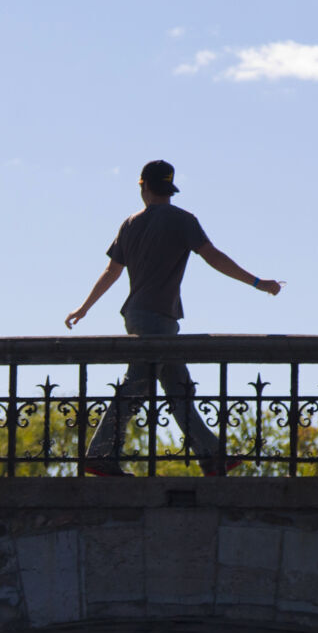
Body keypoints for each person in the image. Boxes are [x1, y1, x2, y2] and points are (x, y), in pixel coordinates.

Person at [65, 160, 281, 476]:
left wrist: (84, 308)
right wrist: (257, 283)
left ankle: (212, 456)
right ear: (169, 188)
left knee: (178, 388)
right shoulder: (182, 220)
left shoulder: (129, 224)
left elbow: (112, 271)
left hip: (142, 316)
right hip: (159, 319)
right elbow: (213, 257)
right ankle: (99, 454)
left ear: (143, 185)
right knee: (138, 385)